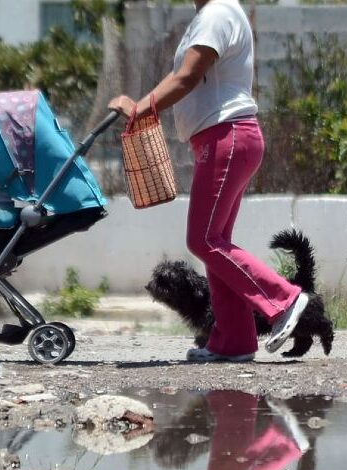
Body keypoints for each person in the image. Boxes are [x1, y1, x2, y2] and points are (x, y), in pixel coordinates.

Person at [109, 0, 309, 362]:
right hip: (223, 138)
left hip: (227, 136)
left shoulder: (217, 13)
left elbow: (186, 76)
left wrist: (139, 109)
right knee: (215, 243)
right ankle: (233, 341)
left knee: (203, 240)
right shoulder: (212, 15)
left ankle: (284, 300)